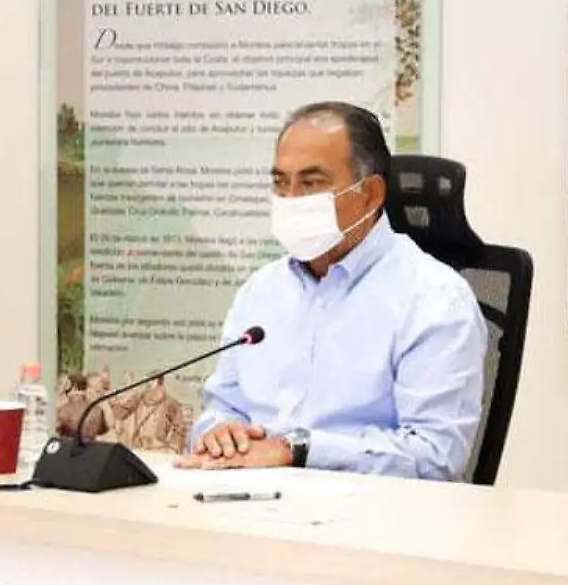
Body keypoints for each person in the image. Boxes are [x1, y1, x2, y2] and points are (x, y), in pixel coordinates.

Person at [176, 101, 488, 480]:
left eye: (311, 183)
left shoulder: (434, 299)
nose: (291, 199)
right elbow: (222, 406)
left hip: (366, 510)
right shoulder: (261, 290)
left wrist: (298, 450)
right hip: (248, 499)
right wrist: (220, 433)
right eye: (280, 183)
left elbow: (435, 456)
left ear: (371, 194)